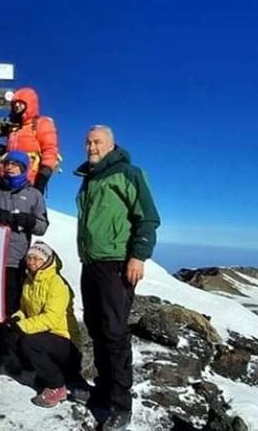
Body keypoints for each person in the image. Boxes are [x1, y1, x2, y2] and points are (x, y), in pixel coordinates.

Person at [76, 125, 160, 431]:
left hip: (116, 264)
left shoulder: (128, 173)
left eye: (97, 142)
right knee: (97, 328)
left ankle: (121, 405)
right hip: (92, 263)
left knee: (114, 332)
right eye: (87, 142)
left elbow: (147, 217)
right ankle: (104, 389)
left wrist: (138, 255)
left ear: (111, 145)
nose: (91, 147)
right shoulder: (90, 177)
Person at [5, 241, 85, 408]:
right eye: (30, 258)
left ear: (47, 261)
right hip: (46, 337)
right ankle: (38, 372)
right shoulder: (29, 281)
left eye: (38, 259)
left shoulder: (57, 284)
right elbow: (24, 309)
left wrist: (24, 326)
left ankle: (56, 386)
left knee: (29, 342)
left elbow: (52, 318)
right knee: (11, 335)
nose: (33, 262)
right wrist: (17, 319)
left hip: (65, 340)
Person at [0, 150, 48, 316]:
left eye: (14, 165)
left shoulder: (34, 195)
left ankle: (7, 338)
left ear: (23, 168)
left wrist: (29, 221)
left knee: (11, 304)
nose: (9, 168)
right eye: (7, 164)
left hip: (16, 259)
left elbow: (42, 227)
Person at [3, 87, 60, 193]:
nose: (17, 105)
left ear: (30, 103)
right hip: (9, 181)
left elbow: (50, 150)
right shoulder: (14, 128)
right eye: (15, 103)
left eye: (21, 102)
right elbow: (9, 153)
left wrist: (42, 179)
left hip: (30, 182)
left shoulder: (42, 123)